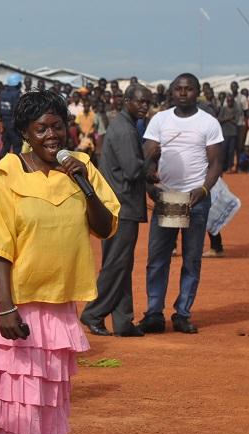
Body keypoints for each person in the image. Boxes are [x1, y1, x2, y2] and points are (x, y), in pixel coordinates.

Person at [0, 90, 119, 434]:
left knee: (45, 401)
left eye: (57, 126)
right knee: (20, 402)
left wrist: (84, 185)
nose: (51, 135)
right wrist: (6, 309)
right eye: (41, 129)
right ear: (25, 132)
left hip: (59, 304)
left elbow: (105, 226)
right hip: (18, 305)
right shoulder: (5, 175)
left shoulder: (82, 169)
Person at [139, 74, 223, 335]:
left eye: (188, 89)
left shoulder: (208, 122)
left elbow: (216, 163)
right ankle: (154, 313)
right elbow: (148, 156)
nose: (183, 93)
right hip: (168, 197)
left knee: (191, 259)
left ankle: (183, 313)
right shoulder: (160, 120)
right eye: (178, 89)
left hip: (195, 198)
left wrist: (204, 189)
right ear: (172, 92)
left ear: (197, 92)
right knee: (158, 258)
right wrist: (150, 183)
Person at [80, 84, 152, 337]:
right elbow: (132, 170)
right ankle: (93, 312)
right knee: (116, 264)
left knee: (122, 264)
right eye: (140, 101)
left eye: (148, 102)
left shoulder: (124, 126)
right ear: (126, 101)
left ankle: (123, 321)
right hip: (122, 205)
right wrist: (150, 155)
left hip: (119, 204)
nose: (145, 106)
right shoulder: (125, 130)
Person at [0, 74, 22, 156]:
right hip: (13, 123)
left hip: (4, 123)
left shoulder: (2, 93)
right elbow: (16, 110)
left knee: (6, 145)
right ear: (17, 83)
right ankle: (16, 162)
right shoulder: (16, 94)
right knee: (17, 145)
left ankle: (0, 160)